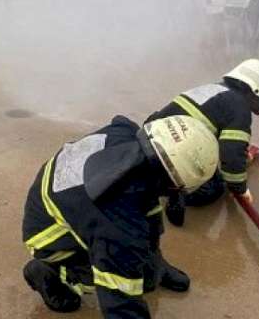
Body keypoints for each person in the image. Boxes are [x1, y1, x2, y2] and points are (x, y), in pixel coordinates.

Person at [21, 115, 219, 317]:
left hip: (61, 192)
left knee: (148, 208)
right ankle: (51, 273)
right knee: (106, 274)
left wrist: (154, 262)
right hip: (48, 231)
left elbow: (148, 211)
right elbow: (120, 299)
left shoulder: (128, 135)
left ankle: (154, 264)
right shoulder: (118, 222)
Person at [147, 58, 259, 226]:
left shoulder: (212, 89)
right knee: (213, 188)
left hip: (151, 142)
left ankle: (164, 183)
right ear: (255, 91)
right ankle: (176, 192)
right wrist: (240, 189)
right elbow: (230, 154)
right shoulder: (240, 107)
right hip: (172, 157)